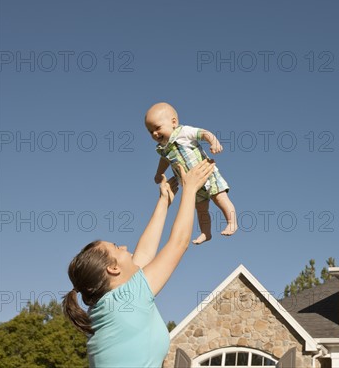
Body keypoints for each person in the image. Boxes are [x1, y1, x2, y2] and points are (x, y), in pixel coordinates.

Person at [62, 160, 215, 368]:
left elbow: (143, 254)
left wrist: (164, 201)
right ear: (113, 269)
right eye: (117, 247)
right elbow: (178, 244)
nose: (124, 246)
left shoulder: (107, 306)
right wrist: (190, 189)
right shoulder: (129, 299)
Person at [144, 102, 238, 244]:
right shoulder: (163, 149)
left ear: (173, 122)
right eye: (151, 132)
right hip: (191, 185)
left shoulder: (184, 132)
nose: (155, 133)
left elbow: (203, 133)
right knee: (201, 210)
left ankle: (232, 222)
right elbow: (164, 161)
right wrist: (159, 173)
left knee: (221, 199)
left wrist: (214, 142)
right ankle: (206, 233)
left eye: (157, 128)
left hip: (207, 175)